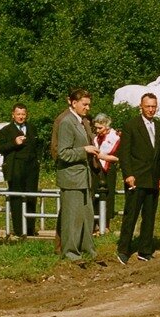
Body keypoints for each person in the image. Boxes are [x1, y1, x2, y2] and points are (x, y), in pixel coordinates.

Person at [116, 93, 160, 264]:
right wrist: (128, 174)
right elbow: (124, 153)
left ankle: (144, 250)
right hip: (136, 178)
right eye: (148, 106)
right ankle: (124, 249)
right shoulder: (131, 126)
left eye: (154, 106)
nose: (151, 109)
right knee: (131, 214)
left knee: (149, 215)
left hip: (153, 179)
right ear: (141, 106)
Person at [55, 89, 101, 264]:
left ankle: (87, 249)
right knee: (72, 218)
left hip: (83, 177)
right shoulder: (67, 122)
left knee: (86, 216)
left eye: (89, 104)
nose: (88, 108)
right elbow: (63, 153)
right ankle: (71, 253)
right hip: (71, 178)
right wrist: (85, 150)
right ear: (74, 103)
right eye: (85, 104)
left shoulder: (81, 121)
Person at [0, 103, 42, 237]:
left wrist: (37, 161)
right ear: (13, 115)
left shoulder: (32, 128)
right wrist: (14, 143)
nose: (21, 117)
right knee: (16, 198)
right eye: (18, 114)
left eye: (23, 114)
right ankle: (18, 230)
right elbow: (1, 148)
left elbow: (38, 145)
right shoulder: (5, 130)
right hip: (15, 167)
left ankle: (30, 230)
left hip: (31, 168)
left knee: (31, 197)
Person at [91, 113, 121, 232]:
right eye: (96, 128)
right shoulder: (96, 137)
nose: (98, 130)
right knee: (95, 194)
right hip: (96, 168)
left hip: (109, 168)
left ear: (107, 126)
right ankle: (95, 223)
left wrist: (103, 157)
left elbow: (118, 158)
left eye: (100, 128)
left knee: (108, 195)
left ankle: (106, 225)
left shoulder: (116, 137)